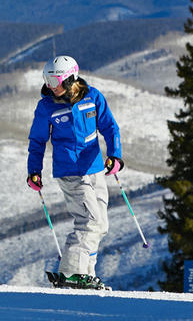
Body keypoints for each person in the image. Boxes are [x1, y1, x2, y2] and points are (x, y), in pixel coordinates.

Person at [27, 55, 123, 290]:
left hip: (95, 168)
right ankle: (71, 272)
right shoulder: (46, 106)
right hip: (70, 170)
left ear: (71, 78)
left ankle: (87, 274)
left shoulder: (93, 97)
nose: (52, 87)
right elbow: (37, 141)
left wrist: (115, 155)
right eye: (48, 81)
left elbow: (110, 127)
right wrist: (34, 171)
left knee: (101, 225)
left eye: (56, 81)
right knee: (89, 221)